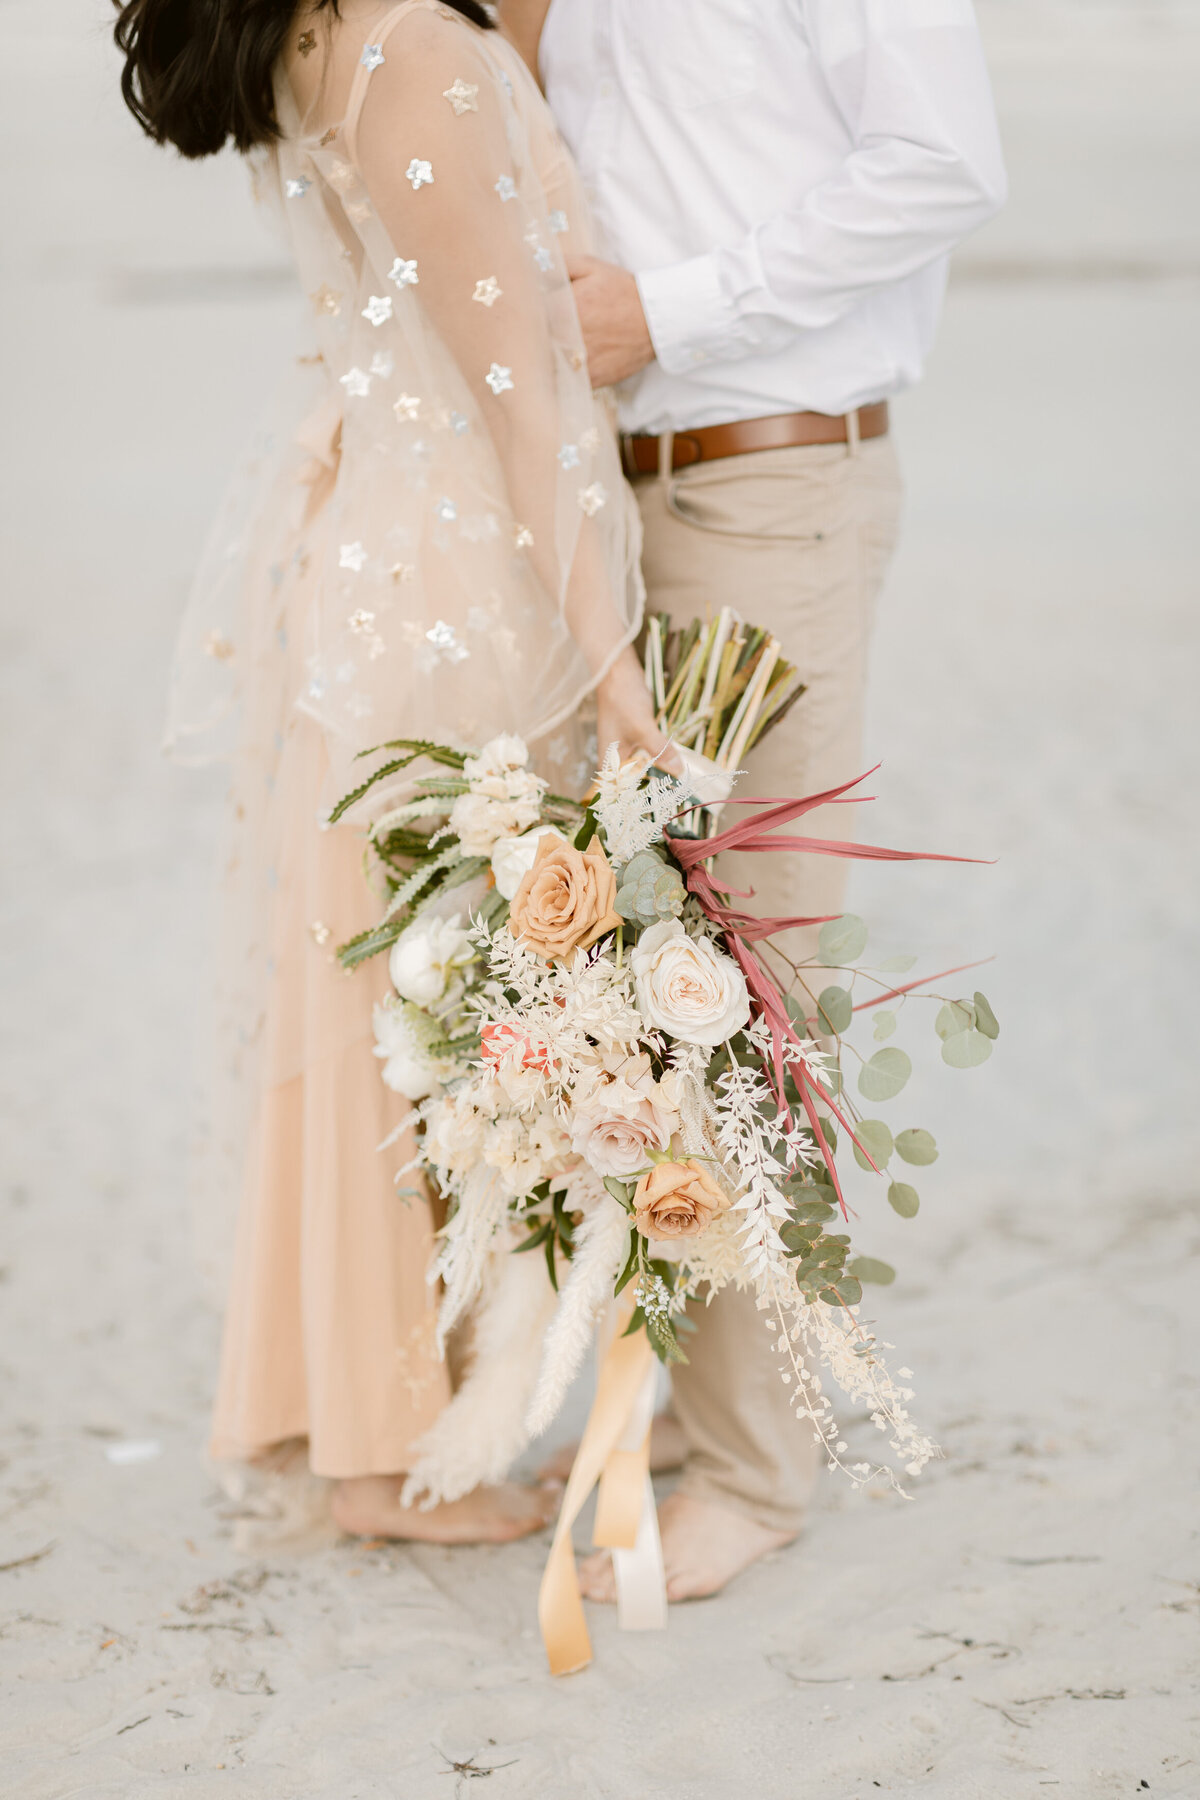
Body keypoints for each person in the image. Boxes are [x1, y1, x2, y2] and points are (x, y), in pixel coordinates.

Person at [113, 0, 671, 1543]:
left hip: (382, 549)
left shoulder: (320, 35)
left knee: (379, 999)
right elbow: (521, 390)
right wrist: (613, 664)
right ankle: (377, 1455)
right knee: (404, 1009)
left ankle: (372, 1426)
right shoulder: (407, 49)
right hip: (444, 586)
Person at [501, 0, 1007, 1600]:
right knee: (618, 978)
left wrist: (669, 307)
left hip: (772, 476)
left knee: (744, 990)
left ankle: (754, 1471)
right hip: (607, 493)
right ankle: (670, 1391)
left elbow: (944, 161)